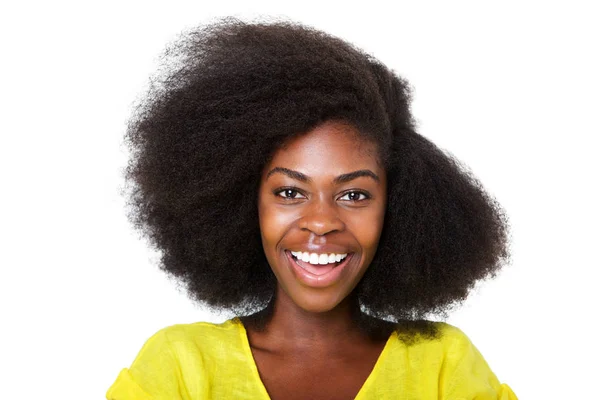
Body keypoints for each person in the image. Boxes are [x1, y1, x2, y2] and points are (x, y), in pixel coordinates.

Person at [106, 17, 518, 399]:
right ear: (241, 204)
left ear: (401, 209)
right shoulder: (180, 368)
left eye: (354, 195)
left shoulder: (444, 368)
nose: (321, 222)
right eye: (289, 193)